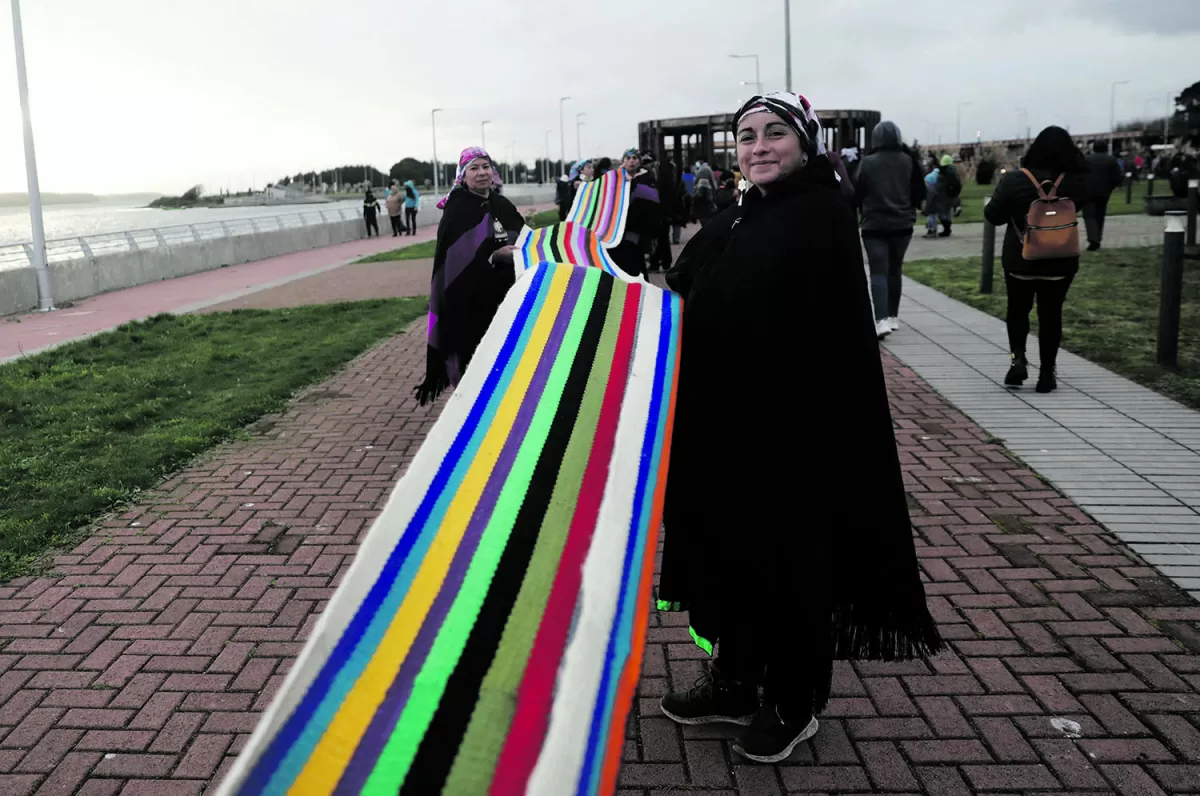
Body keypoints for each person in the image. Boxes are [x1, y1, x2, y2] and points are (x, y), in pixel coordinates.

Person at [658, 90, 942, 764]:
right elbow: (685, 286)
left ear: (805, 142)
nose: (757, 146)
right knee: (733, 554)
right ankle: (734, 679)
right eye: (746, 135)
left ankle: (793, 697)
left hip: (793, 436)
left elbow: (812, 331)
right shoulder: (742, 213)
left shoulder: (817, 213)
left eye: (774, 133)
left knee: (789, 564)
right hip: (729, 427)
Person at [414, 147, 525, 405]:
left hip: (507, 298)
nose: (481, 173)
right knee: (475, 362)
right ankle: (474, 412)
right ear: (463, 176)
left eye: (485, 166)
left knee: (506, 360)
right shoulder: (457, 210)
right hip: (470, 303)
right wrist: (494, 256)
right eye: (473, 168)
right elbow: (453, 262)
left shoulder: (501, 203)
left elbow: (525, 235)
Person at [983, 126, 1089, 394]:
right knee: (1051, 313)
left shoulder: (1015, 180)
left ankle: (1017, 359)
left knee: (1018, 310)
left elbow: (993, 216)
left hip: (1020, 259)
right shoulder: (1075, 181)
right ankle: (1047, 372)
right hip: (1061, 259)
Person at [857, 121, 925, 339]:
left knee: (878, 272)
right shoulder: (909, 161)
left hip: (874, 225)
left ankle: (881, 319)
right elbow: (919, 191)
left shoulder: (867, 163)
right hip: (903, 225)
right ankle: (894, 317)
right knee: (895, 270)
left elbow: (857, 191)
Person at [607, 148, 660, 278]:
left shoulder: (647, 179)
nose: (631, 161)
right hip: (617, 230)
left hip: (637, 229)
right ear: (623, 161)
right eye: (628, 158)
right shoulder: (614, 180)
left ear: (639, 162)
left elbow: (653, 206)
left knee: (635, 265)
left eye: (634, 158)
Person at [1083, 141, 1123, 251]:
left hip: (1088, 191)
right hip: (1104, 192)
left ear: (1093, 148)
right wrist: (1110, 187)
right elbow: (1118, 177)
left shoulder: (1086, 159)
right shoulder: (1111, 160)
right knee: (1100, 215)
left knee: (1089, 216)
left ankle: (1093, 238)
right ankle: (1098, 238)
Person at [650, 154, 680, 272]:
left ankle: (656, 262)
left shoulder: (657, 182)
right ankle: (665, 262)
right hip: (667, 214)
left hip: (658, 214)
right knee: (664, 238)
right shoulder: (671, 182)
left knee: (658, 239)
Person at [925, 155, 961, 237]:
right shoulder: (954, 172)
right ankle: (947, 230)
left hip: (940, 195)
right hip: (949, 195)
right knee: (946, 213)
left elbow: (929, 180)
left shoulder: (940, 172)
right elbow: (957, 186)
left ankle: (932, 230)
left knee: (933, 212)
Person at [692, 160, 716, 225]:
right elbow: (713, 181)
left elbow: (695, 183)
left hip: (699, 191)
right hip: (708, 191)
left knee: (702, 213)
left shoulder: (699, 170)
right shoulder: (708, 169)